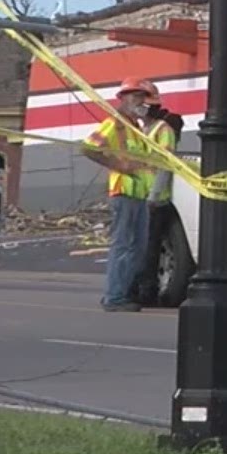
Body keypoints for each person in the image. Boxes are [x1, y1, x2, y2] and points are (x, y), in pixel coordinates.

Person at [82, 78, 157, 312]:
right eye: (136, 96)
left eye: (143, 97)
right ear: (123, 99)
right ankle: (115, 296)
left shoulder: (136, 128)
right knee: (123, 245)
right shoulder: (115, 124)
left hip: (139, 195)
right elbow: (89, 148)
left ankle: (121, 293)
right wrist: (117, 165)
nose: (140, 101)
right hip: (124, 193)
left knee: (138, 247)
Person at [132, 88, 184, 306]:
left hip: (156, 198)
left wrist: (153, 196)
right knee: (143, 245)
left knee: (151, 247)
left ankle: (147, 291)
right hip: (143, 195)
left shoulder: (163, 130)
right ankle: (141, 287)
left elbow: (164, 165)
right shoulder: (145, 128)